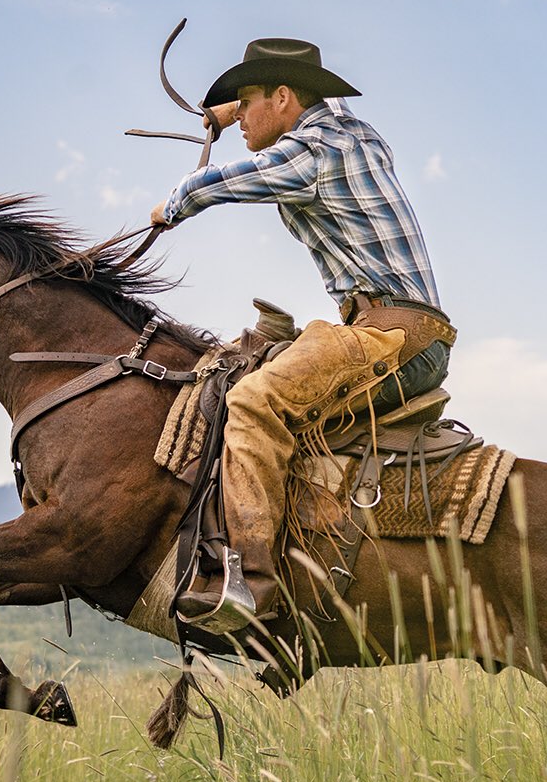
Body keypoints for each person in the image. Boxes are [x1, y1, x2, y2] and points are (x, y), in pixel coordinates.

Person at [151, 38, 455, 631]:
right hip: (396, 329)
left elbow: (254, 173)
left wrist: (177, 201)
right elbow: (290, 129)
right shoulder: (346, 135)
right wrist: (234, 110)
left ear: (285, 96)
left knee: (251, 403)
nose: (238, 118)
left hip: (391, 334)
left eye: (247, 101)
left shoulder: (319, 149)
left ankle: (251, 587)